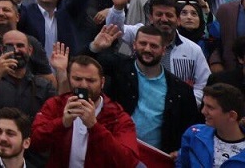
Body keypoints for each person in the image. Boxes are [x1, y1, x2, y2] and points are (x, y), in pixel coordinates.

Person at [94, 23, 200, 154]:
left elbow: (191, 128)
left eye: (154, 46)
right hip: (115, 152)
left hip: (155, 157)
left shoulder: (180, 90)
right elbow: (80, 69)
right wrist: (94, 48)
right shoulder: (117, 70)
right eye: (143, 43)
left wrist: (180, 150)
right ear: (134, 45)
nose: (147, 49)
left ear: (163, 50)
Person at [29, 55, 139, 167]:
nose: (84, 85)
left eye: (91, 80)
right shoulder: (55, 105)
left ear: (102, 82)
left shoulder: (117, 117)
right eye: (77, 79)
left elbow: (128, 161)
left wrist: (94, 127)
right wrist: (62, 123)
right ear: (69, 78)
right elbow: (33, 143)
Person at [176, 82, 245, 168]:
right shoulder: (194, 134)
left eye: (210, 107)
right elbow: (182, 165)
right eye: (204, 105)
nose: (203, 111)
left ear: (231, 116)